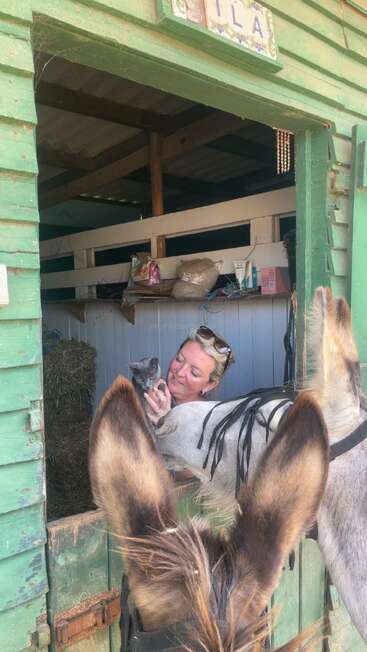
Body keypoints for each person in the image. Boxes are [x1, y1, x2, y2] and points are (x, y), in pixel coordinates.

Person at [144, 325, 234, 425]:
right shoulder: (150, 397)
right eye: (179, 359)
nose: (180, 372)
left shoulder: (210, 422)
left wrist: (164, 424)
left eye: (194, 373)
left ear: (209, 385)